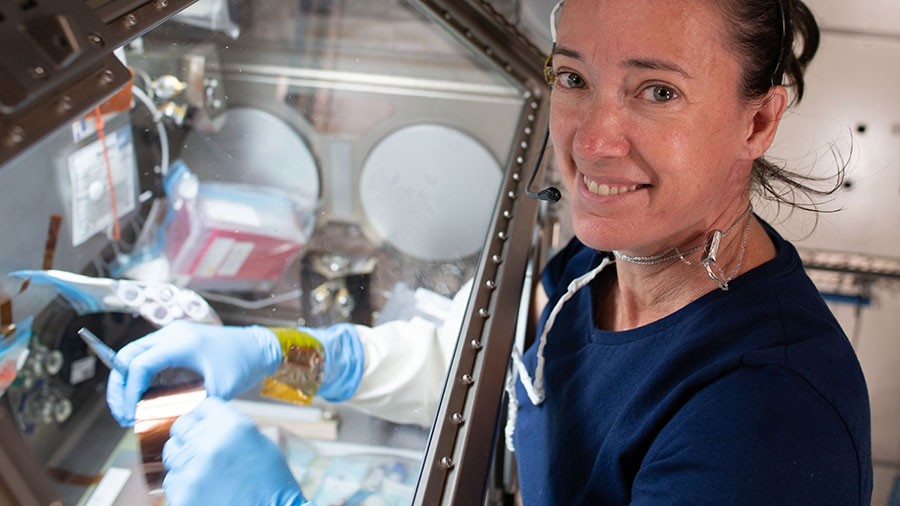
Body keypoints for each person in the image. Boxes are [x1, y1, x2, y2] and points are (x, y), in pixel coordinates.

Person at [106, 0, 873, 504]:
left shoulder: (766, 423)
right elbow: (492, 373)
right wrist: (291, 358)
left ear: (758, 121)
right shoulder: (607, 260)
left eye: (657, 91)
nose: (593, 143)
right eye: (573, 77)